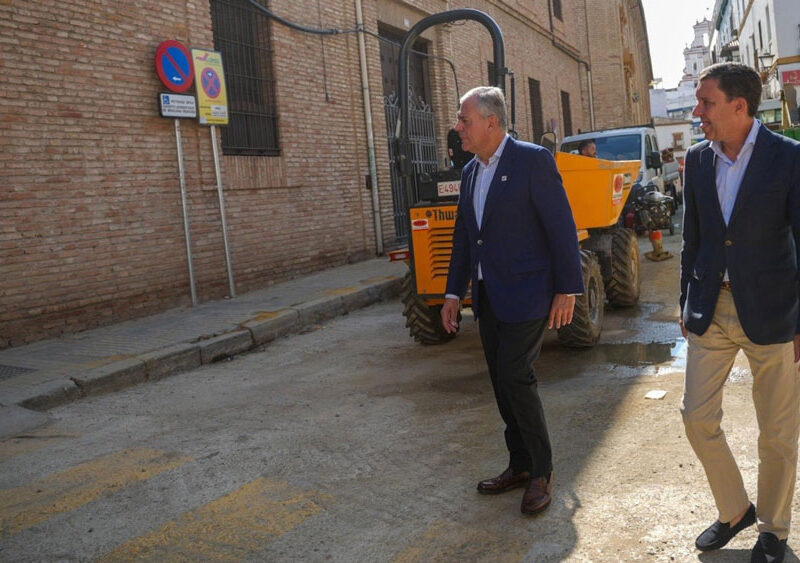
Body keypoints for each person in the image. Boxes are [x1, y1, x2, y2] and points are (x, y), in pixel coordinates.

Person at [441, 86, 584, 515]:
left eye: (464, 120)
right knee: (502, 382)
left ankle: (542, 470)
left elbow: (561, 226)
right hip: (489, 295)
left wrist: (568, 288)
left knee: (515, 375)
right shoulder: (470, 172)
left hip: (528, 292)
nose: (458, 128)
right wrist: (453, 292)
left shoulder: (532, 160)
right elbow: (466, 236)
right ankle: (520, 464)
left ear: (491, 122)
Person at [680, 62, 800, 562]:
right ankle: (735, 510)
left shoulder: (789, 159)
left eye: (706, 103)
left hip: (775, 313)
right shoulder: (697, 159)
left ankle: (773, 530)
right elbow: (694, 238)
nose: (697, 112)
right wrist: (686, 299)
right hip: (712, 308)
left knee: (777, 431)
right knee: (696, 416)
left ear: (739, 106)